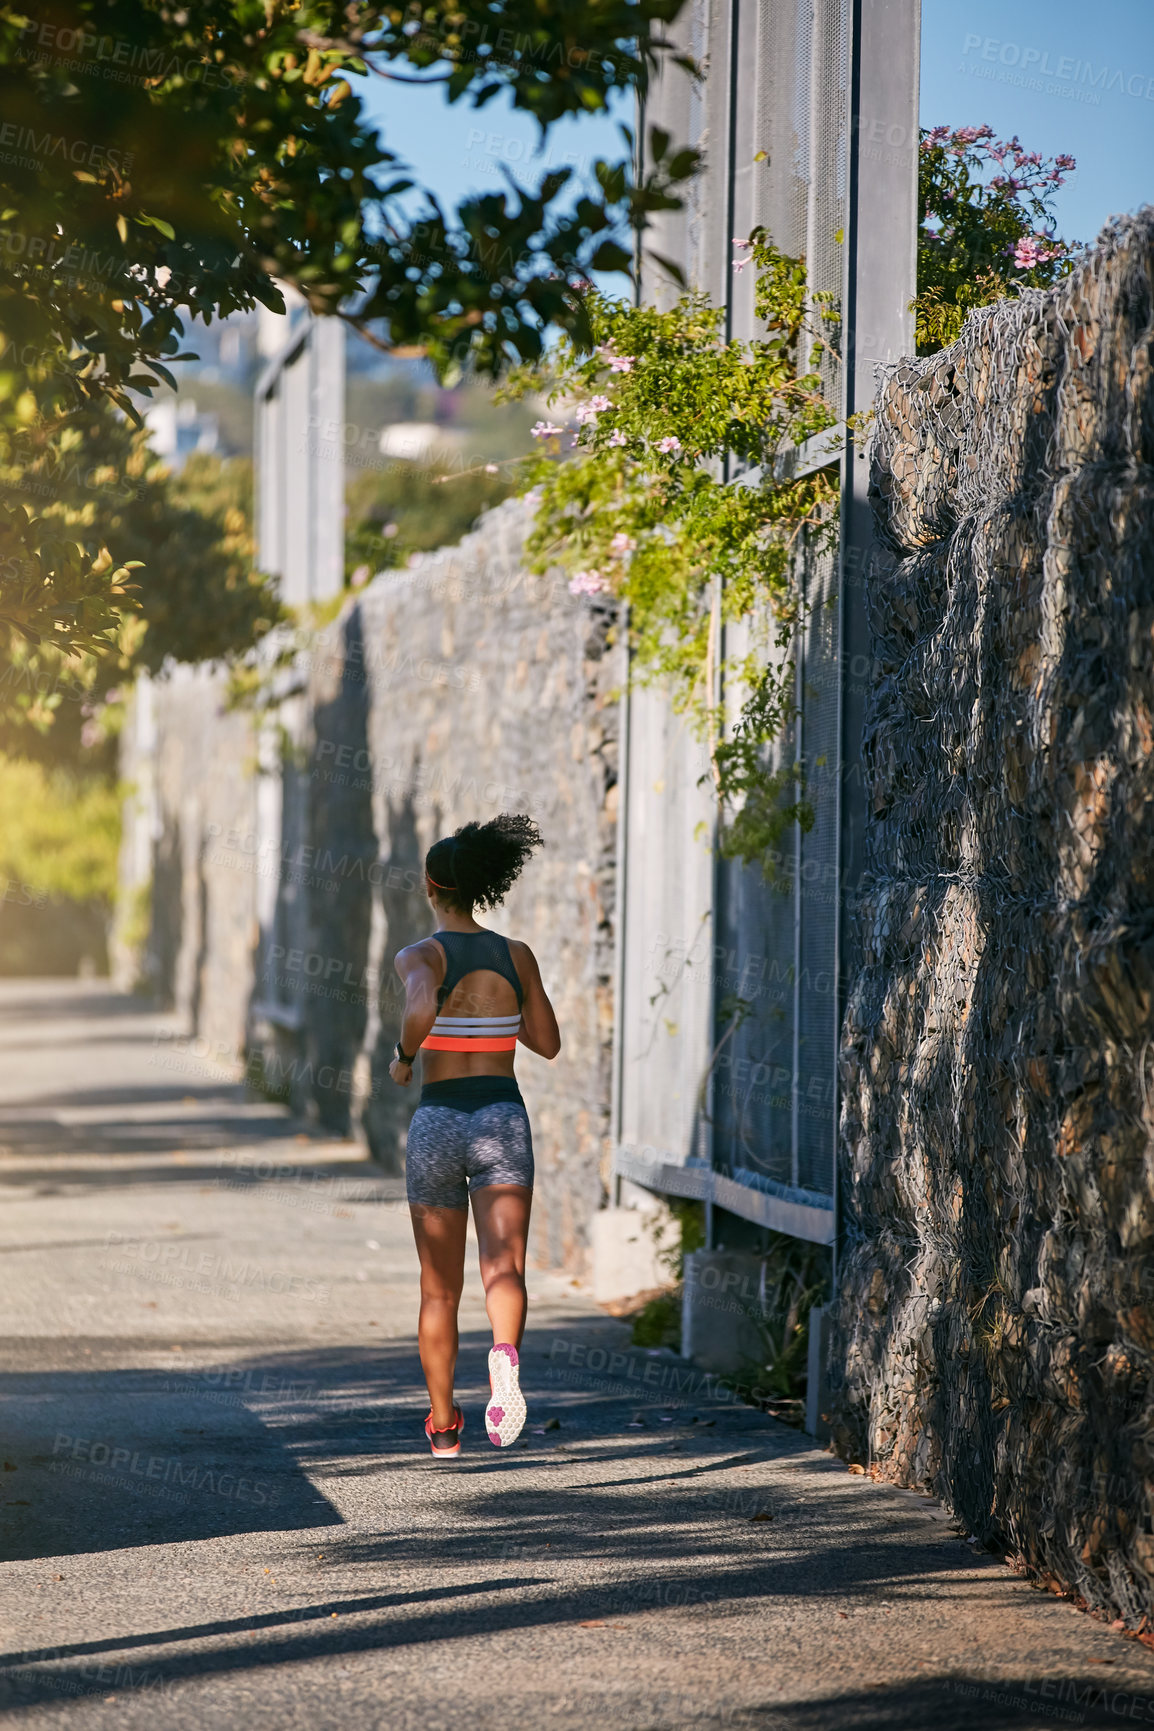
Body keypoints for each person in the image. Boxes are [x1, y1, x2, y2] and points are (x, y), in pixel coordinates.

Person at [389, 813, 561, 1458]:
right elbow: (546, 1044)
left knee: (438, 1288)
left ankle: (442, 1424)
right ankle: (505, 1357)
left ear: (431, 888)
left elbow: (420, 1005)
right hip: (500, 1116)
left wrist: (405, 1056)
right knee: (504, 1266)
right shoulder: (515, 955)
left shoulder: (419, 955)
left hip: (438, 1120)